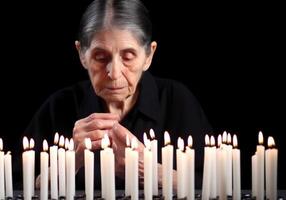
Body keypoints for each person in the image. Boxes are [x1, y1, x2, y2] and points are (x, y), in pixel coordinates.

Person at [25, 0, 211, 190]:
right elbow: (16, 185)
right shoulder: (58, 107)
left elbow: (214, 182)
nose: (114, 73)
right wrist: (66, 165)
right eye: (100, 57)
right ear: (82, 54)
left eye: (128, 56)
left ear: (148, 56)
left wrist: (156, 173)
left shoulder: (177, 101)